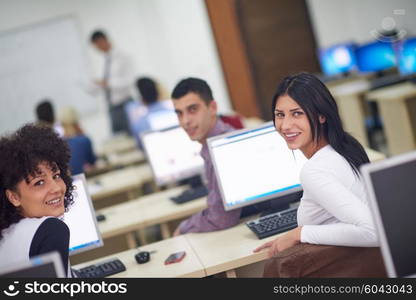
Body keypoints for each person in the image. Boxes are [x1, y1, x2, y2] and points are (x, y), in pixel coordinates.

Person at [254, 72, 378, 258]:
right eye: (280, 115)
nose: (285, 125)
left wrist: (300, 234)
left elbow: (373, 231)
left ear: (321, 115)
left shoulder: (315, 171)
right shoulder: (345, 146)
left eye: (297, 113)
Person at [0, 124, 75, 277]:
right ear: (14, 197)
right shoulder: (51, 231)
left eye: (56, 176)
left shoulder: (7, 234)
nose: (56, 188)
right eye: (39, 182)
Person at [171, 77, 241, 235]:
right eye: (179, 114)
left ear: (213, 108)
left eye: (192, 110)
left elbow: (221, 219)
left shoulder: (223, 147)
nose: (185, 121)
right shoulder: (211, 144)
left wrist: (183, 227)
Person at [90, 30, 134, 135]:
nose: (97, 48)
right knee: (118, 138)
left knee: (131, 134)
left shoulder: (123, 56)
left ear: (103, 40)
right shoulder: (102, 61)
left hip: (125, 103)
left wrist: (108, 83)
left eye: (97, 45)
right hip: (111, 107)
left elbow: (129, 81)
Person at [132, 77, 176, 148]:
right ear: (158, 91)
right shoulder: (175, 113)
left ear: (141, 98)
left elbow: (140, 147)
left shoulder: (140, 124)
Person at [60, 107, 97, 175]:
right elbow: (93, 163)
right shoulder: (84, 140)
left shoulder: (59, 144)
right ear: (77, 122)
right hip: (85, 178)